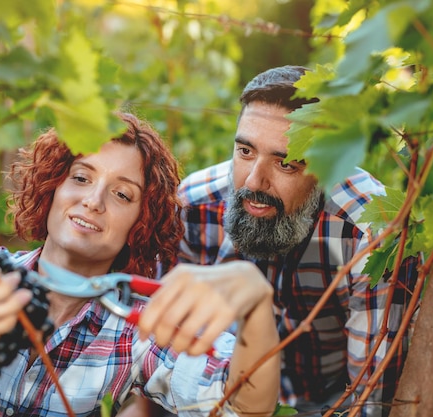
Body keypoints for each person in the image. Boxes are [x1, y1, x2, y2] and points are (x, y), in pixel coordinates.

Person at [0, 112, 281, 417]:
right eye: (81, 178)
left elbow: (244, 406)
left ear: (141, 223)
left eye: (123, 195)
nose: (94, 201)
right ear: (53, 185)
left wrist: (255, 304)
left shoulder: (138, 329)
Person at [174, 65, 420, 417]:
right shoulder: (194, 207)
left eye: (286, 163)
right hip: (218, 396)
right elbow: (167, 358)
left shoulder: (369, 234)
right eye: (245, 152)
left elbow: (370, 402)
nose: (255, 182)